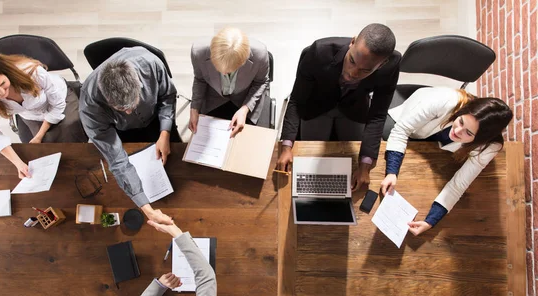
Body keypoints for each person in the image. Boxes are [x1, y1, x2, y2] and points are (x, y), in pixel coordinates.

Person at [277, 23, 401, 191]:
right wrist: (286, 147)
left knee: (350, 162)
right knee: (309, 158)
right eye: (351, 61)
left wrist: (365, 166)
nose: (352, 73)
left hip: (354, 108)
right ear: (353, 42)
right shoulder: (319, 51)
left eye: (365, 70)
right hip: (317, 106)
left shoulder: (391, 65)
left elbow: (378, 114)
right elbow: (296, 100)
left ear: (382, 64)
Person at [379, 87, 513, 236]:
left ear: (481, 139)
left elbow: (459, 184)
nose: (457, 131)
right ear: (463, 111)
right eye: (461, 121)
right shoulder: (445, 100)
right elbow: (401, 130)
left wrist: (431, 220)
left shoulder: (489, 146)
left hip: (433, 146)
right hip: (409, 123)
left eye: (468, 133)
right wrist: (392, 172)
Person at [79, 47, 179, 225]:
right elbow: (117, 160)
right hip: (122, 131)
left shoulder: (151, 64)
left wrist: (165, 132)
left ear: (139, 84)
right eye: (121, 109)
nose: (128, 111)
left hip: (157, 119)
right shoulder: (90, 106)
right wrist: (147, 209)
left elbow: (168, 96)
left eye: (133, 104)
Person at [0, 49, 87, 179]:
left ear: (6, 71)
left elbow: (57, 105)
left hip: (60, 101)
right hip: (30, 114)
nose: (1, 93)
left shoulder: (32, 71)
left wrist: (39, 135)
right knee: (42, 151)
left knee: (71, 137)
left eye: (3, 84)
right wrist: (19, 164)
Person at [189, 27, 270, 136]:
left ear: (243, 61)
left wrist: (245, 109)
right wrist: (194, 109)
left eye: (229, 71)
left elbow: (261, 82)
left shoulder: (260, 54)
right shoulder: (197, 52)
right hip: (214, 99)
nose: (224, 74)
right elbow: (200, 79)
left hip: (245, 99)